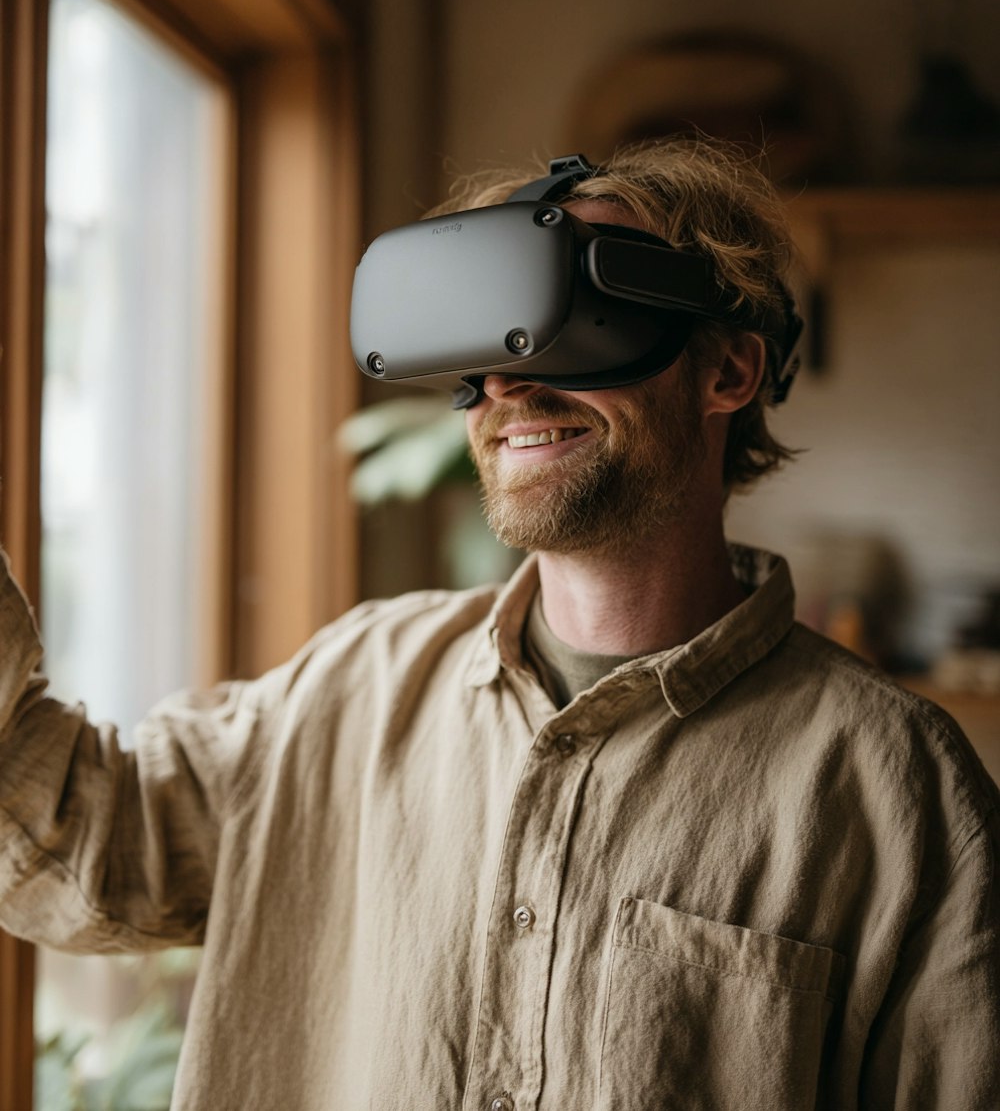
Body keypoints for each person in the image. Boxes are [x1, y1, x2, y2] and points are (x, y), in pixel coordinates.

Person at [1, 139, 998, 1110]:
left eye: (575, 328)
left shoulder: (894, 790)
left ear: (727, 372)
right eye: (483, 349)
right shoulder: (352, 684)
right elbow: (81, 844)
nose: (509, 387)